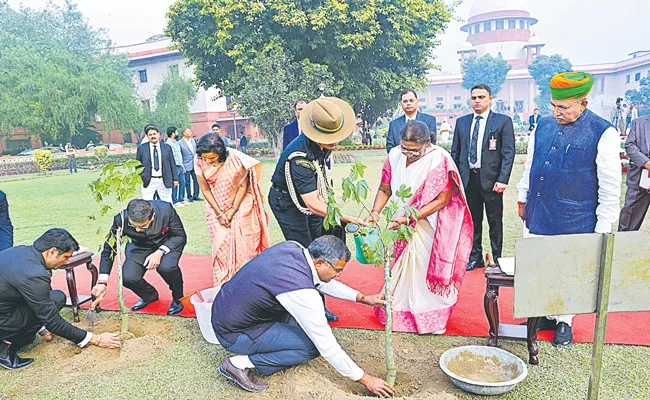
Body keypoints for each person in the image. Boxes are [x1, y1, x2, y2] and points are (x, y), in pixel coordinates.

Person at [212, 236, 394, 397]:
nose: (339, 275)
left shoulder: (293, 248)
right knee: (312, 346)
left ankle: (273, 345)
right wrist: (365, 378)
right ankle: (238, 363)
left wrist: (362, 298)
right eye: (338, 270)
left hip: (228, 312)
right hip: (235, 333)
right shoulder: (300, 291)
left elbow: (322, 282)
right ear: (320, 262)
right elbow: (327, 346)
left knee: (304, 325)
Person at [517, 72, 621, 347]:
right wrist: (522, 195)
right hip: (539, 209)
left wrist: (604, 224)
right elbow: (531, 162)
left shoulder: (604, 132)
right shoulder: (543, 124)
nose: (556, 112)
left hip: (575, 216)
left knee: (568, 270)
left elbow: (610, 185)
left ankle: (564, 321)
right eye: (553, 105)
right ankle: (540, 313)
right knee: (538, 265)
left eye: (563, 107)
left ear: (583, 104)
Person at [369, 121, 473, 334]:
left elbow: (443, 199)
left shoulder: (439, 159)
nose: (408, 154)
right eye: (405, 148)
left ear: (427, 142)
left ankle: (430, 319)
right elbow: (384, 188)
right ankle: (399, 312)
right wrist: (375, 212)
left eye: (414, 151)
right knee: (401, 270)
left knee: (423, 269)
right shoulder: (394, 156)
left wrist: (412, 216)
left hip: (426, 224)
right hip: (399, 221)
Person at [269, 96, 367, 322]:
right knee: (306, 255)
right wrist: (345, 218)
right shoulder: (299, 157)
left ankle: (317, 304)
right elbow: (312, 203)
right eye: (330, 137)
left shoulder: (322, 144)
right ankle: (308, 308)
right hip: (288, 204)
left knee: (321, 249)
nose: (335, 142)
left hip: (311, 200)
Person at [0, 229, 120, 370]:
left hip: (7, 304)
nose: (67, 261)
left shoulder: (21, 252)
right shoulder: (34, 275)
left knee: (57, 297)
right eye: (65, 257)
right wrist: (96, 339)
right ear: (51, 252)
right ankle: (3, 349)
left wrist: (40, 327)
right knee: (45, 315)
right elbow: (53, 322)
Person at [451, 84, 515, 271]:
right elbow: (455, 152)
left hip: (492, 180)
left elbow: (508, 153)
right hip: (469, 179)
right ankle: (475, 256)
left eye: (481, 97)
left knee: (495, 221)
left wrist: (503, 179)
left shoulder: (502, 121)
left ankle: (497, 258)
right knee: (472, 221)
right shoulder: (462, 122)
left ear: (490, 99)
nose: (477, 101)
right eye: (474, 98)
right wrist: (456, 180)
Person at [194, 133, 270, 286]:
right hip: (215, 206)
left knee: (244, 243)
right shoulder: (198, 160)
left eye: (213, 158)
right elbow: (205, 189)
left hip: (240, 204)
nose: (208, 161)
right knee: (221, 246)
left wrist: (233, 209)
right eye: (205, 158)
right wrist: (220, 213)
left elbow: (243, 185)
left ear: (221, 153)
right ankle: (223, 282)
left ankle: (245, 283)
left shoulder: (235, 159)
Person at [92, 199, 187, 315]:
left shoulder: (166, 209)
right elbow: (109, 250)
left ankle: (178, 298)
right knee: (128, 277)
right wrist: (102, 282)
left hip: (166, 243)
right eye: (133, 225)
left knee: (167, 267)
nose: (137, 230)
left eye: (142, 226)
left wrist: (160, 251)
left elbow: (180, 236)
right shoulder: (120, 219)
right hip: (139, 247)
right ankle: (150, 295)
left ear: (152, 217)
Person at [619, 114, 650, 231]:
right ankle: (621, 245)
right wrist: (646, 163)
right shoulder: (639, 122)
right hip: (639, 179)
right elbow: (630, 145)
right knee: (629, 217)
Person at [136, 124, 178, 204]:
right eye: (150, 135)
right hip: (149, 181)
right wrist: (142, 176)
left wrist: (175, 179)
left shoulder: (167, 147)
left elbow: (172, 164)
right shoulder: (142, 148)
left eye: (154, 134)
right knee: (147, 204)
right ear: (147, 136)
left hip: (164, 180)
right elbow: (138, 165)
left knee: (167, 203)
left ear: (158, 134)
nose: (153, 136)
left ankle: (167, 217)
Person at [178, 128, 203, 203]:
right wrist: (182, 165)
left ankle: (196, 195)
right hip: (186, 164)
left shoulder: (193, 140)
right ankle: (189, 196)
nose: (190, 133)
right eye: (189, 132)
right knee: (187, 182)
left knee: (196, 180)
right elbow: (180, 155)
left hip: (194, 163)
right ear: (184, 133)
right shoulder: (180, 143)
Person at [165, 126, 187, 208]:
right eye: (176, 132)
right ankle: (174, 200)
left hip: (180, 166)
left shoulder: (176, 143)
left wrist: (182, 166)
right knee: (175, 184)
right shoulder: (168, 144)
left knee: (183, 183)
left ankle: (181, 199)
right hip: (174, 167)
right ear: (173, 133)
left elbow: (179, 155)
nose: (178, 133)